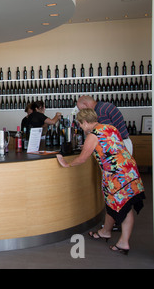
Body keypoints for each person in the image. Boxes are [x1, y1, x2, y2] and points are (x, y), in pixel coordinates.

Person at [56, 108, 145, 255]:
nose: (81, 127)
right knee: (116, 204)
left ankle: (124, 242)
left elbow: (82, 158)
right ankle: (105, 232)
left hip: (116, 176)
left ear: (85, 122)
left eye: (80, 124)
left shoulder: (93, 135)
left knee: (123, 207)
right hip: (129, 170)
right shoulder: (110, 127)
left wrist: (66, 164)